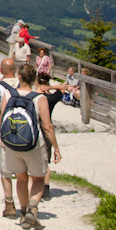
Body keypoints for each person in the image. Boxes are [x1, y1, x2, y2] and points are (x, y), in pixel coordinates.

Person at [0, 63, 61, 229]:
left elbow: (1, 117)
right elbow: (47, 127)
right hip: (33, 144)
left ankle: (22, 214)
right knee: (38, 179)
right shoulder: (40, 98)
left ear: (19, 77)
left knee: (21, 179)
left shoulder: (8, 94)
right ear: (34, 79)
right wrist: (56, 148)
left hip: (12, 144)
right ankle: (33, 208)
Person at [0, 58, 19, 218]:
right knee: (24, 172)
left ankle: (9, 205)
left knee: (6, 171)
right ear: (15, 70)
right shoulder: (25, 84)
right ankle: (28, 207)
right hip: (26, 133)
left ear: (1, 71)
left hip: (7, 133)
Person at [36, 72, 69, 200]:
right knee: (45, 161)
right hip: (47, 128)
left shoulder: (34, 96)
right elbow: (63, 88)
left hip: (34, 127)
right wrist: (51, 88)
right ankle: (46, 190)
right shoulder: (52, 99)